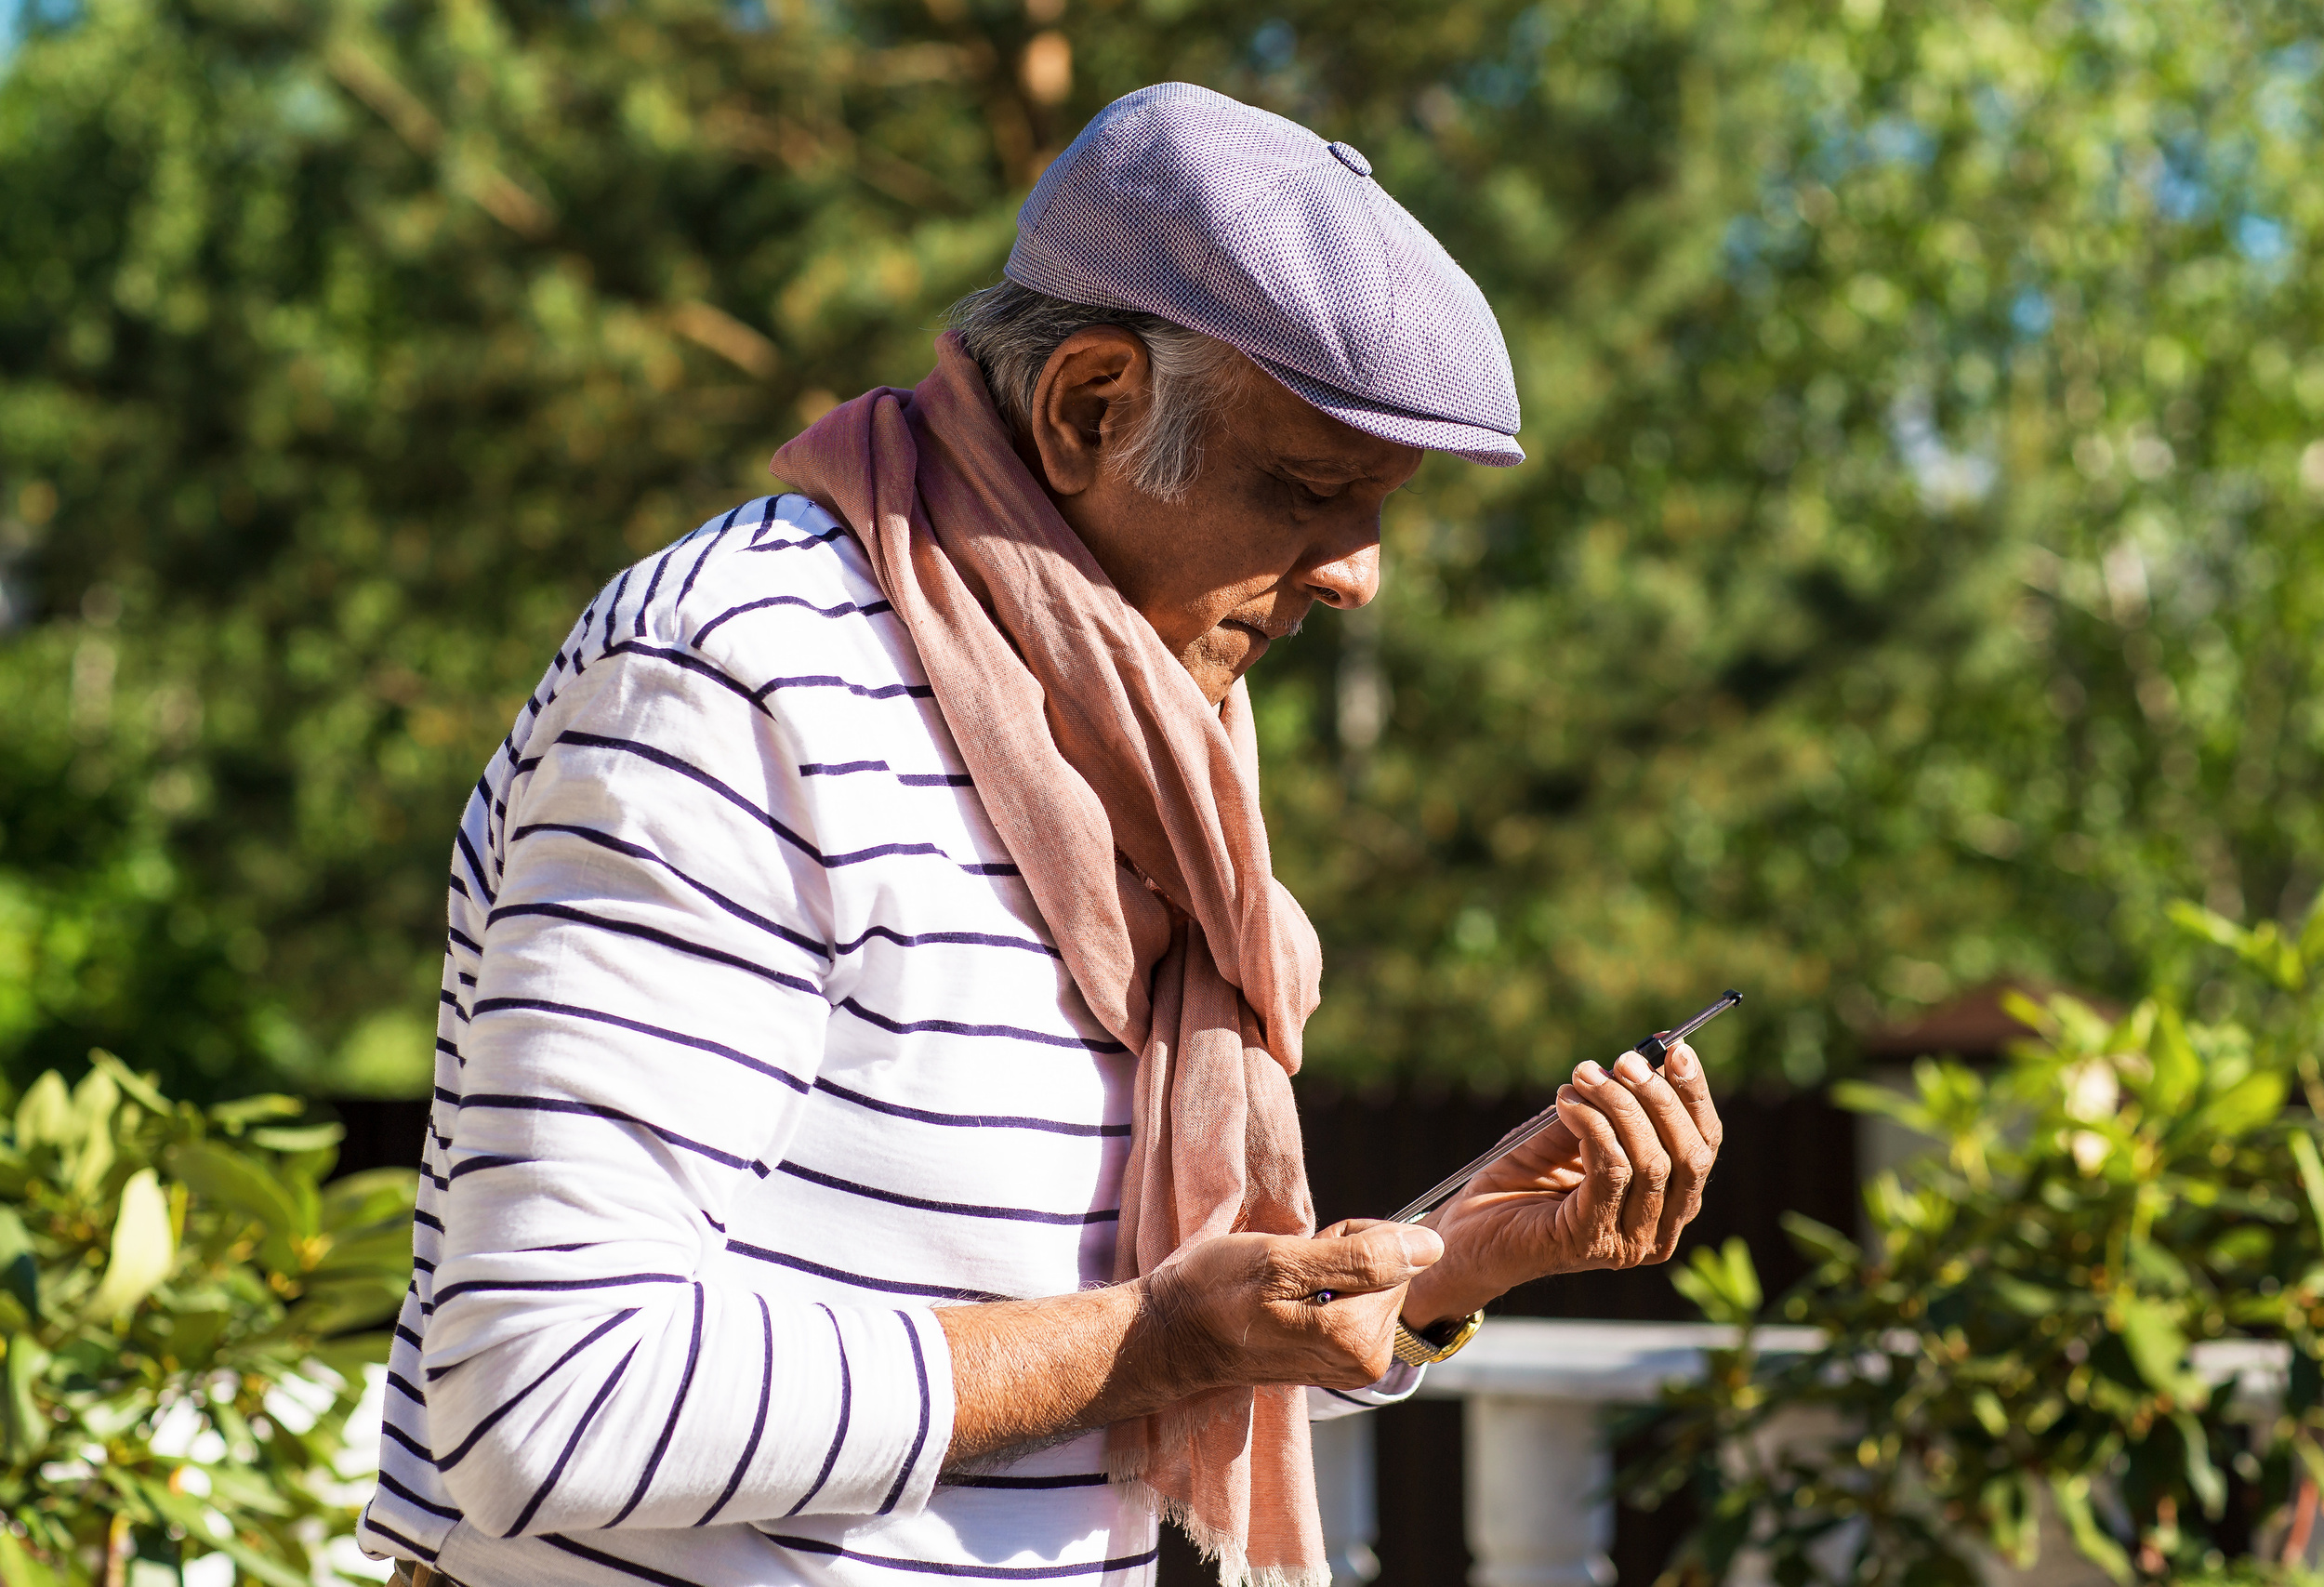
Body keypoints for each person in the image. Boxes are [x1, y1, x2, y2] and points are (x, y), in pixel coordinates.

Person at [361, 82, 1723, 1587]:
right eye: (1316, 489)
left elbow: (1038, 1349)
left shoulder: (1139, 743)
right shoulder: (743, 674)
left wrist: (1439, 1263)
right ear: (1088, 407)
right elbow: (551, 1401)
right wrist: (1150, 1341)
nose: (1360, 578)